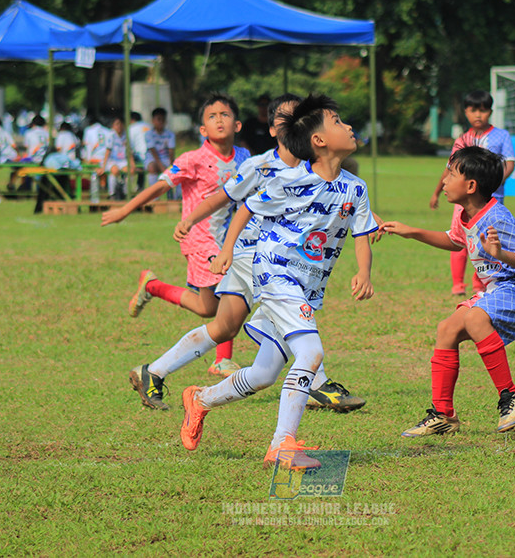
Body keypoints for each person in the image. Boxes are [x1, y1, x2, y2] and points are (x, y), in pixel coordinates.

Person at [128, 95, 367, 413]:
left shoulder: (314, 168)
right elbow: (223, 198)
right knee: (285, 312)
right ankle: (317, 384)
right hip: (252, 256)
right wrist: (192, 222)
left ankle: (154, 371)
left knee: (225, 327)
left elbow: (338, 200)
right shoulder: (260, 165)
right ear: (273, 129)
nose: (295, 122)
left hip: (282, 259)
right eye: (285, 118)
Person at [178, 94, 376, 469]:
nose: (348, 126)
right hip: (275, 273)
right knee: (311, 354)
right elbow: (247, 208)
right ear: (318, 140)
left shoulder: (357, 188)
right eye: (337, 121)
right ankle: (282, 444)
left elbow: (362, 234)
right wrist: (227, 250)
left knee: (264, 373)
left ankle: (200, 399)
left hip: (307, 287)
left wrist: (364, 272)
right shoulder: (291, 180)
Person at [381, 145, 515, 436]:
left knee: (474, 318)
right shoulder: (465, 214)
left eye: (450, 174)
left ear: (471, 186)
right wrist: (412, 232)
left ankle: (511, 395)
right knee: (447, 329)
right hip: (498, 290)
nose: (444, 180)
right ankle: (443, 415)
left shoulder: (496, 216)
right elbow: (455, 240)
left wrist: (500, 254)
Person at [102, 94, 250, 376]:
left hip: (226, 238)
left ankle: (152, 286)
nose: (219, 120)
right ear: (203, 130)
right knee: (228, 284)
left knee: (207, 308)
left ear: (238, 124)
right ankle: (222, 360)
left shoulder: (244, 158)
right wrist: (125, 210)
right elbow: (160, 186)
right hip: (199, 238)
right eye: (212, 116)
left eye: (225, 115)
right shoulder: (193, 159)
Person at [430, 91, 515, 296]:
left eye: (483, 110)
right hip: (463, 201)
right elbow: (449, 169)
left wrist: (493, 182)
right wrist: (437, 192)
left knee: (486, 241)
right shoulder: (462, 139)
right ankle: (458, 283)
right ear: (466, 112)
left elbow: (510, 163)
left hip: (491, 200)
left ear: (490, 112)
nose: (478, 115)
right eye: (473, 110)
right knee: (458, 239)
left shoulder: (501, 136)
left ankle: (481, 282)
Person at [144, 107, 176, 195]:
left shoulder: (170, 134)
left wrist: (170, 166)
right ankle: (154, 196)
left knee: (178, 170)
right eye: (158, 119)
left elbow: (171, 151)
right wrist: (161, 166)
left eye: (163, 120)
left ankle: (177, 196)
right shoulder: (149, 134)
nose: (161, 122)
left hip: (166, 159)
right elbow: (153, 151)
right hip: (153, 159)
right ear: (153, 121)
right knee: (152, 168)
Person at [100, 117, 129, 200]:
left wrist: (132, 164)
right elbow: (107, 152)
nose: (119, 126)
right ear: (113, 126)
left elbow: (129, 152)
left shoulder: (126, 135)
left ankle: (126, 192)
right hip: (112, 160)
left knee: (128, 171)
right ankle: (112, 194)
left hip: (123, 160)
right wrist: (103, 167)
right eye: (117, 124)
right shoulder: (111, 136)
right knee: (114, 170)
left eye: (120, 124)